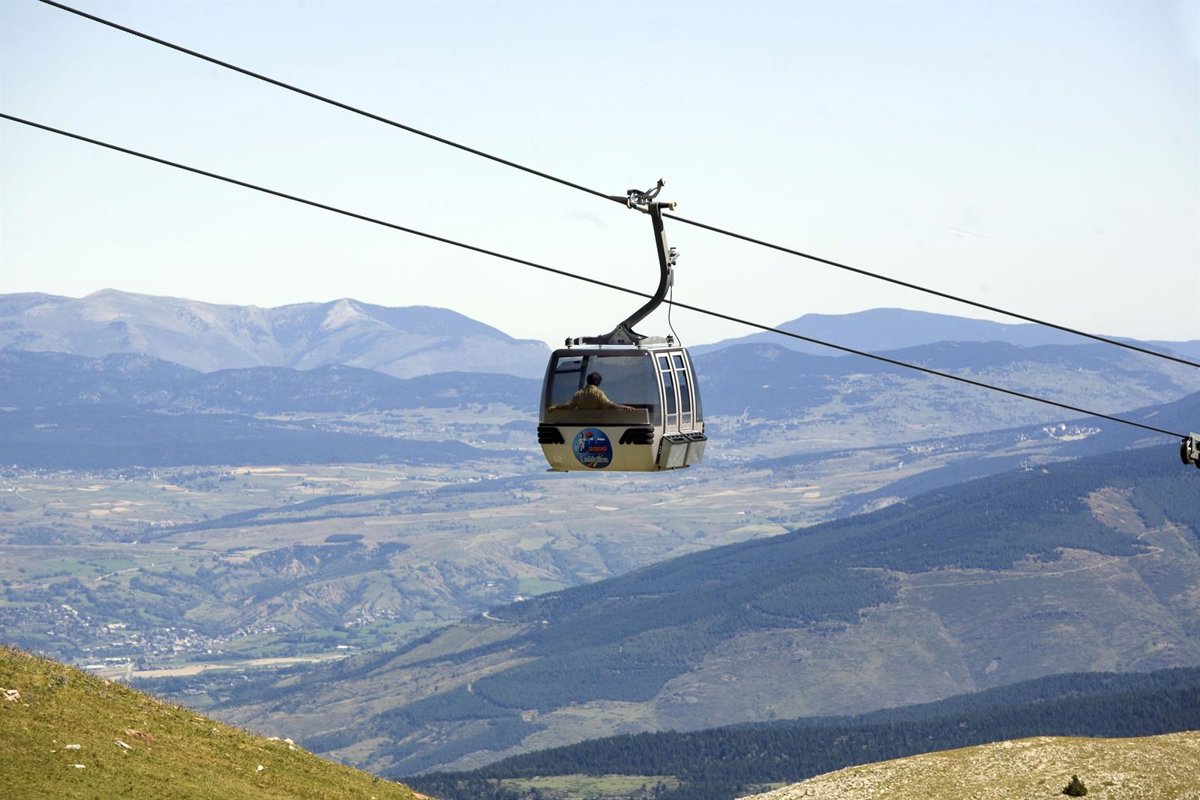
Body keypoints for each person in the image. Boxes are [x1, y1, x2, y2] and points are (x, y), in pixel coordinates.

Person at [548, 371, 636, 412]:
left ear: (587, 381)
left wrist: (556, 407)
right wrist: (623, 407)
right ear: (599, 383)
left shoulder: (579, 394)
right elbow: (609, 405)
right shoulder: (598, 393)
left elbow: (568, 406)